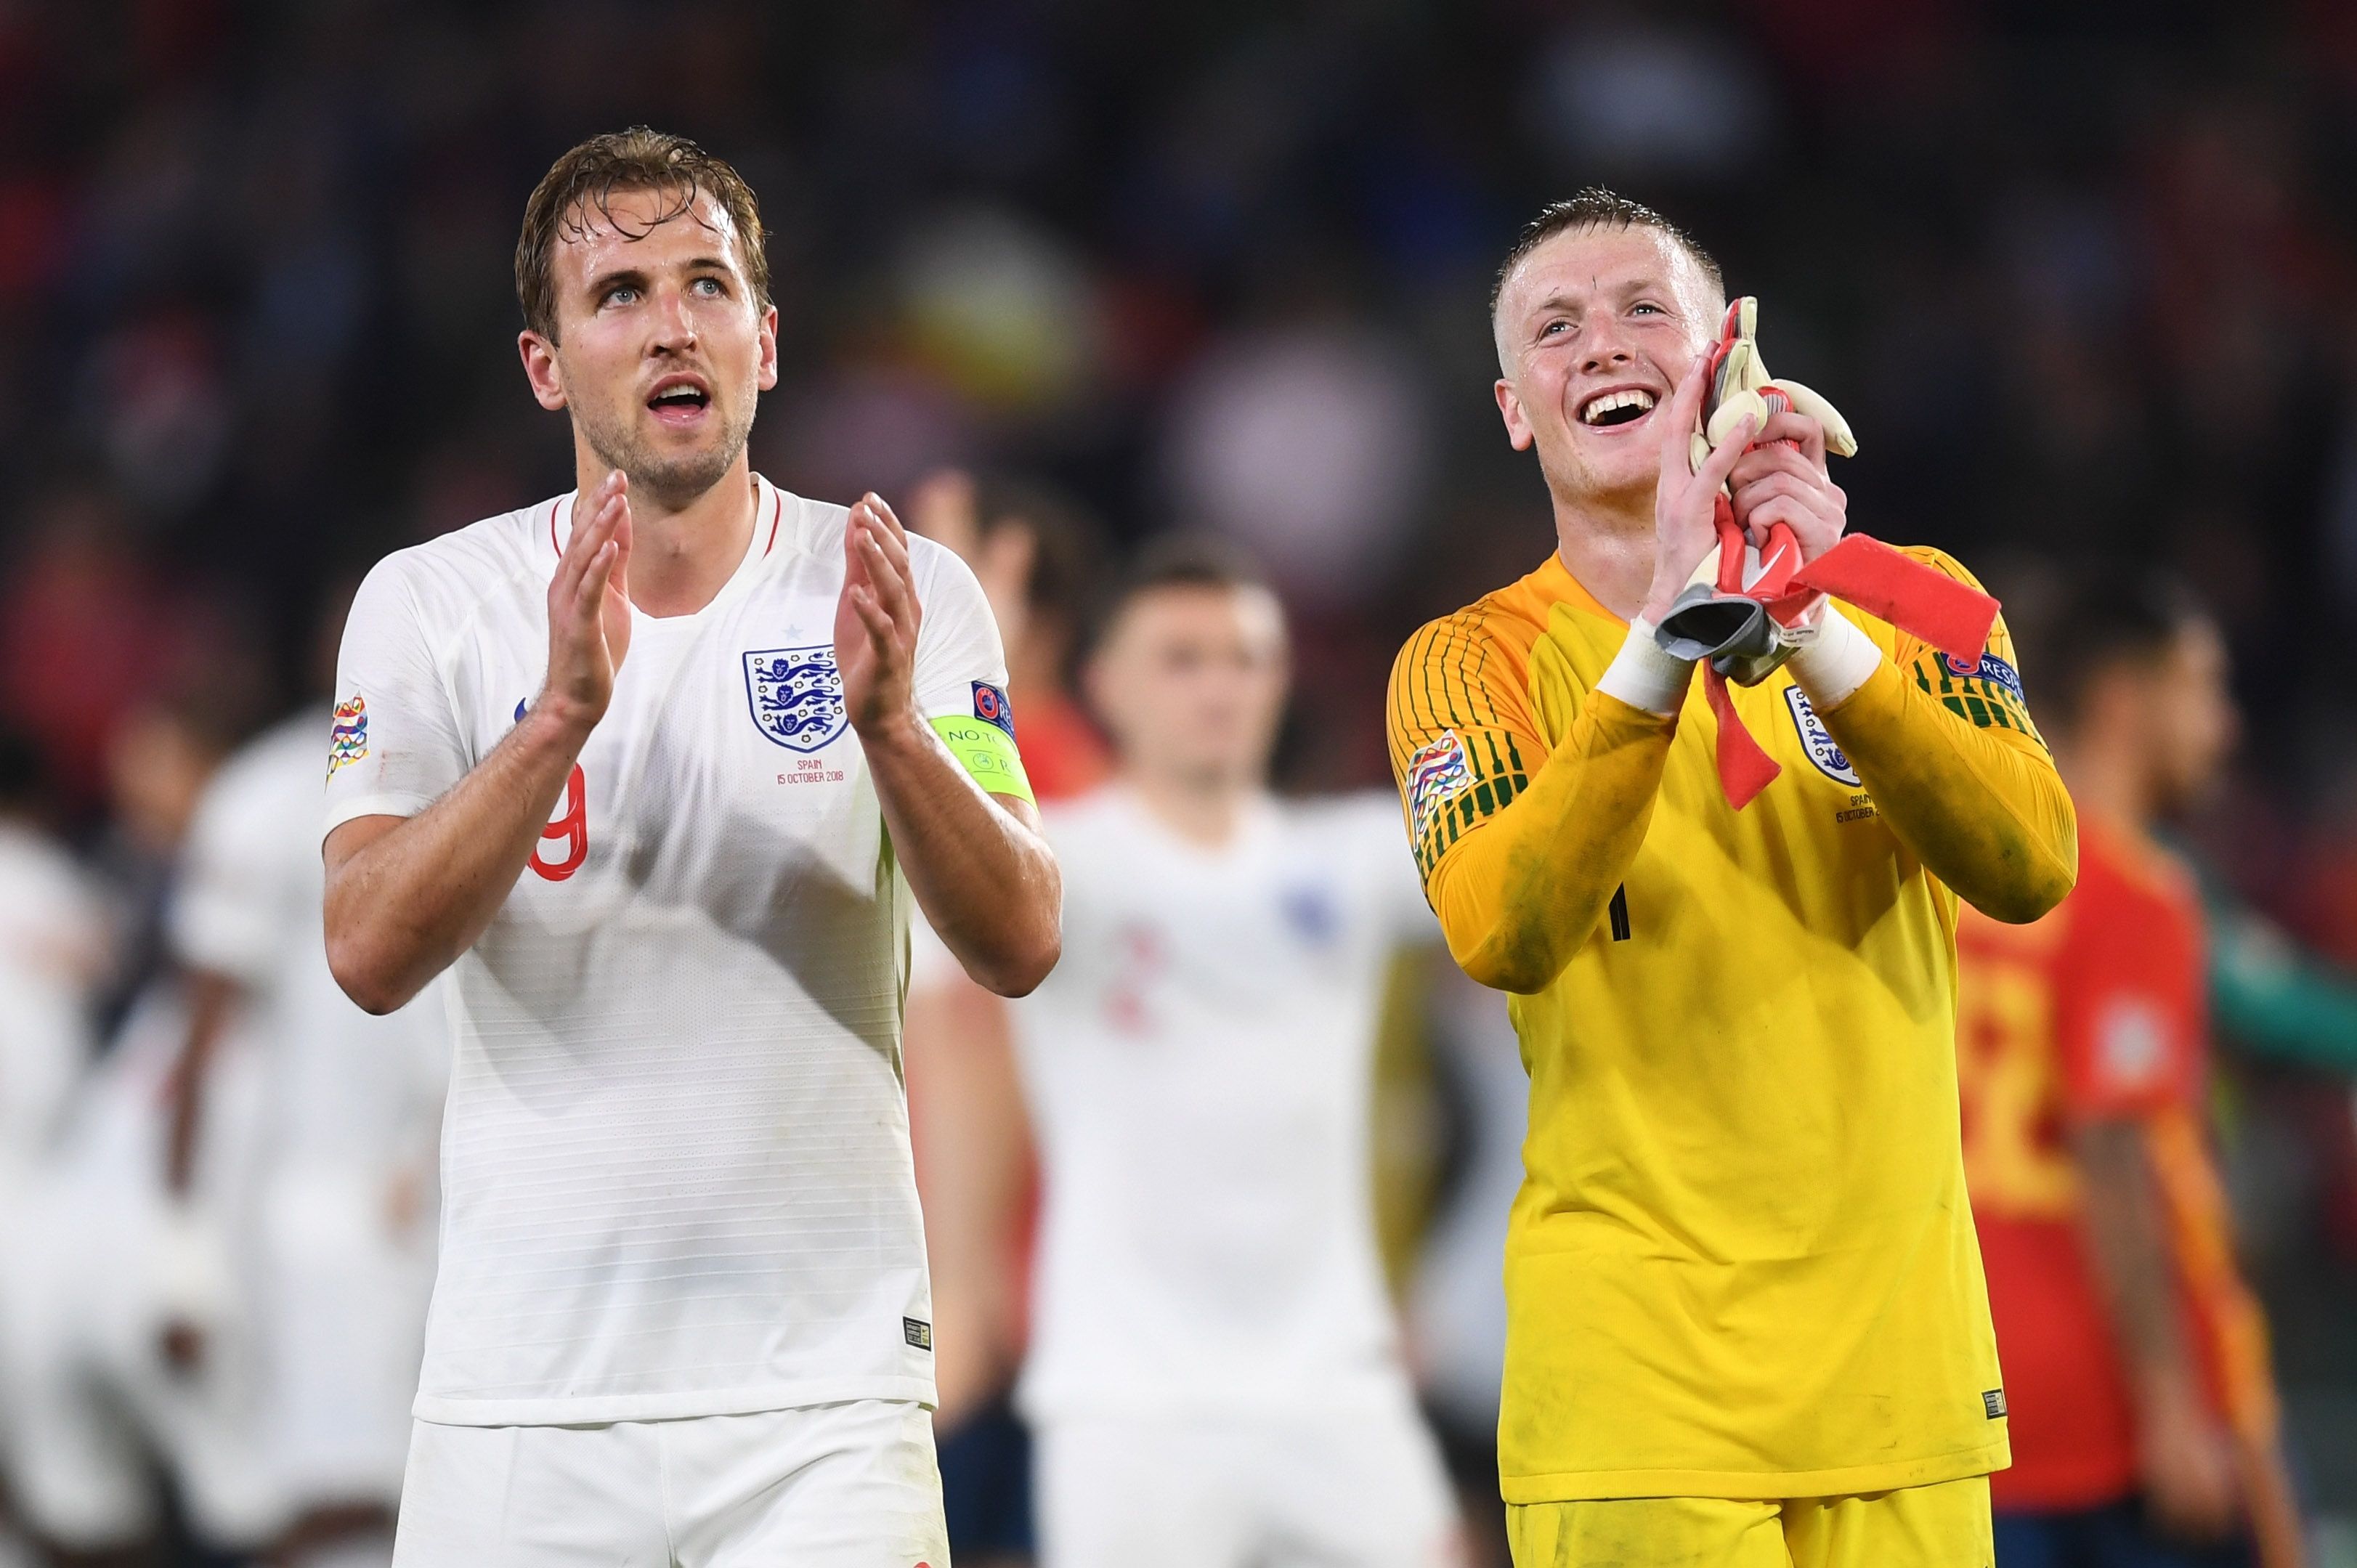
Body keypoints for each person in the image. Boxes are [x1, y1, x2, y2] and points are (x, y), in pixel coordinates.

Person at [319, 128, 1060, 1567]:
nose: (673, 324)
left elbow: (1023, 938)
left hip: (824, 1407)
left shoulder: (898, 591)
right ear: (546, 366)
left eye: (707, 285)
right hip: (523, 1401)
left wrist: (892, 731)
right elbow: (365, 950)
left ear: (764, 343)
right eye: (620, 294)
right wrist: (554, 724)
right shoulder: (434, 604)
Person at [1385, 189, 2077, 1567]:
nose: (1601, 343)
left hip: (1901, 1377)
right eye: (1555, 328)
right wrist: (1662, 634)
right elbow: (1504, 930)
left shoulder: (1912, 601)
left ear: (1728, 361)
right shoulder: (1465, 663)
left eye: (1644, 309)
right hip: (1637, 1386)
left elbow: (2027, 864)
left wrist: (1812, 618)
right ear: (1516, 410)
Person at [1010, 542, 1458, 1568]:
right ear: (1103, 684)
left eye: (1245, 659)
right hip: (1129, 1404)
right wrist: (963, 686)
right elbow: (915, 847)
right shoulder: (1053, 868)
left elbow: (1545, 854)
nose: (1219, 688)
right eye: (1181, 659)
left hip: (1338, 1391)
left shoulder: (1351, 858)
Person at [1957, 578, 2305, 1568]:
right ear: (2123, 698)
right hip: (2094, 1404)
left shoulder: (1945, 873)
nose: (2225, 727)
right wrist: (2171, 1403)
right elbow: (2117, 1149)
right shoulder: (2132, 890)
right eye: (2202, 688)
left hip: (1951, 1384)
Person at [159, 588, 448, 1568]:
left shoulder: (482, 772)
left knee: (440, 1497)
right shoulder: (263, 794)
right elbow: (203, 1035)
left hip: (449, 1186)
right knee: (338, 1498)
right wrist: (187, 1248)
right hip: (318, 1202)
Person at [901, 468, 1111, 1567]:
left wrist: (966, 1292)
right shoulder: (948, 770)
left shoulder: (1050, 791)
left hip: (1002, 1315)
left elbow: (979, 1033)